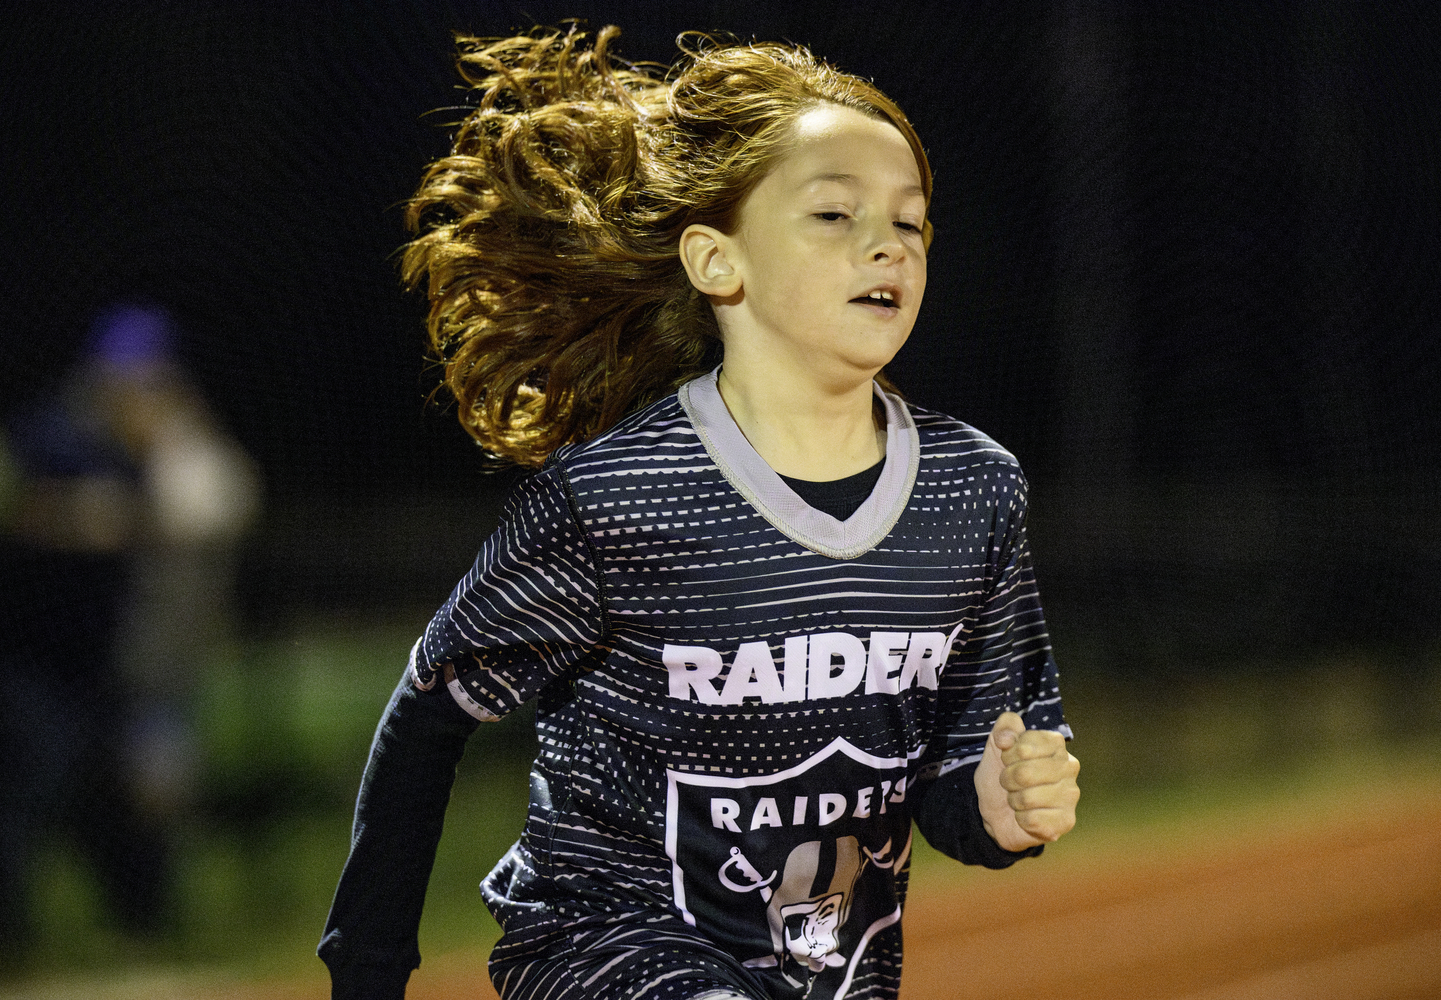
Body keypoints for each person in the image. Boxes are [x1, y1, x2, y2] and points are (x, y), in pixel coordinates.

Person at [320, 24, 1080, 1000]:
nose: (887, 241)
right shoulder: (615, 500)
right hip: (602, 949)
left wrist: (1002, 803)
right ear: (718, 263)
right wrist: (367, 969)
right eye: (835, 214)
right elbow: (432, 709)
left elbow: (950, 771)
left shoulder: (974, 491)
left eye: (910, 219)